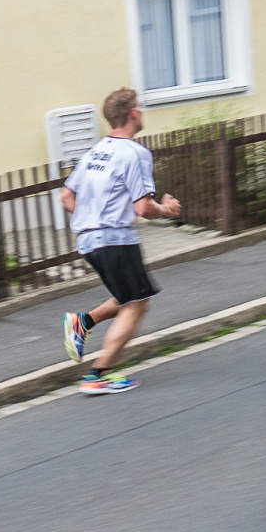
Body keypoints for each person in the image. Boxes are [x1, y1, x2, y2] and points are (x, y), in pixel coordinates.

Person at [61, 87, 182, 394]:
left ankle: (83, 322)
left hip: (89, 242)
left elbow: (66, 196)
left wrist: (93, 218)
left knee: (129, 294)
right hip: (115, 239)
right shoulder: (135, 153)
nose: (142, 111)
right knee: (137, 305)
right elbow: (143, 208)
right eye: (140, 107)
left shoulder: (94, 152)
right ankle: (97, 375)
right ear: (132, 114)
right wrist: (166, 210)